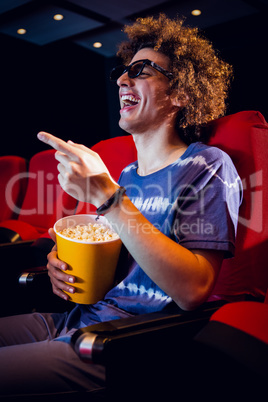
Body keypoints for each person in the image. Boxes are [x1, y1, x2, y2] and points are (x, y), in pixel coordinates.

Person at [0, 14, 242, 397]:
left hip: (124, 342)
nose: (121, 80)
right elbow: (111, 266)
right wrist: (61, 268)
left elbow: (194, 289)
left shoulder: (207, 165)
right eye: (123, 71)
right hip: (79, 317)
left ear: (180, 93)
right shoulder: (127, 174)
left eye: (141, 71)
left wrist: (108, 198)